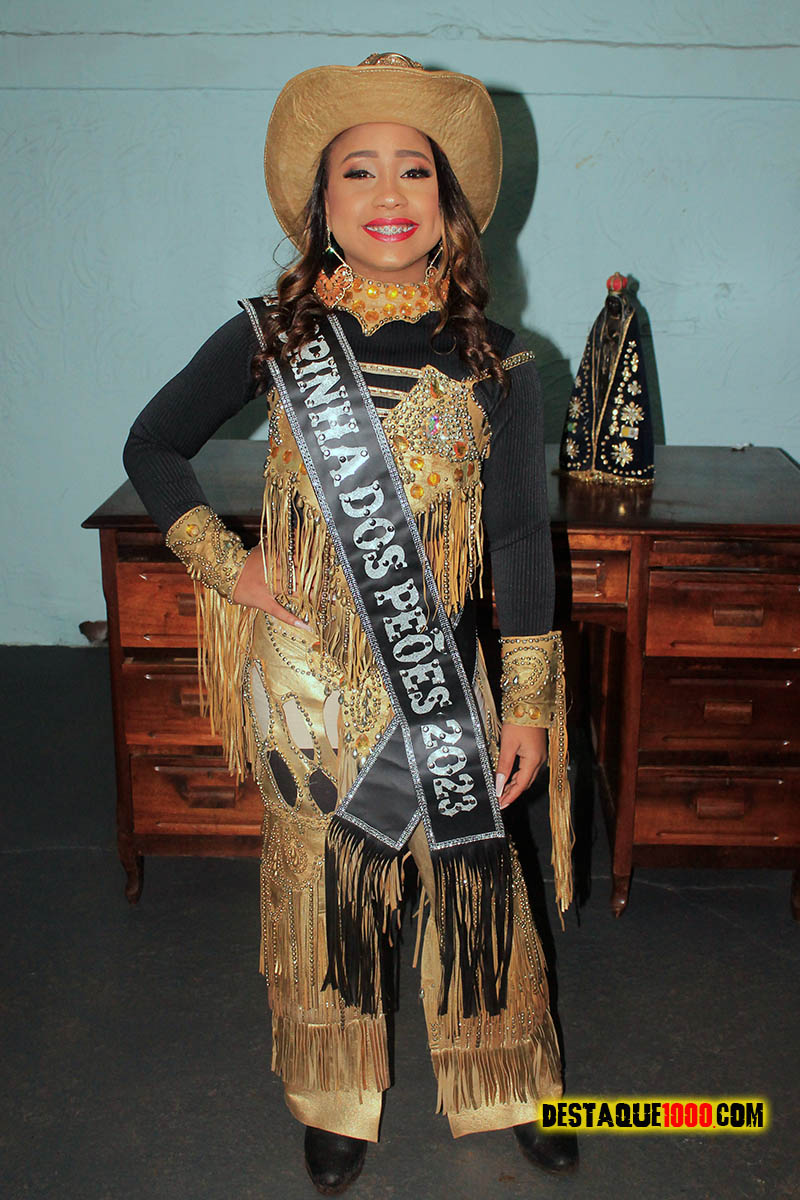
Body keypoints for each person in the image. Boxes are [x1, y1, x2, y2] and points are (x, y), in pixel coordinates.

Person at [123, 51, 578, 1194]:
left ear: (447, 202)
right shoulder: (274, 335)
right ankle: (334, 1096)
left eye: (412, 170)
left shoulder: (500, 364)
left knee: (475, 875)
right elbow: (152, 445)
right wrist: (227, 565)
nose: (386, 194)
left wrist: (527, 706)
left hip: (441, 682)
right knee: (324, 894)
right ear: (320, 206)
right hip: (308, 691)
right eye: (357, 171)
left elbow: (520, 540)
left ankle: (508, 1084)